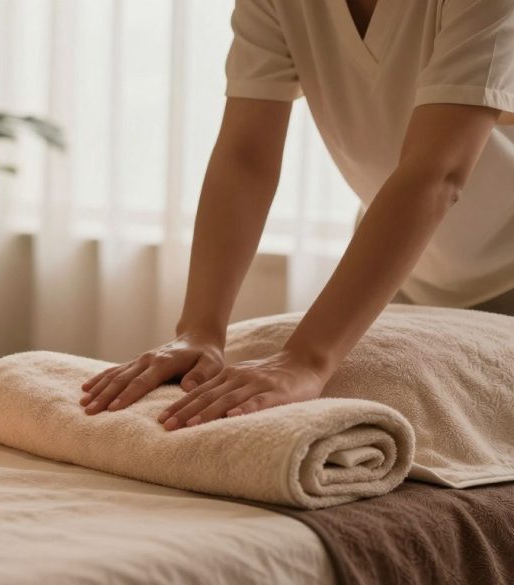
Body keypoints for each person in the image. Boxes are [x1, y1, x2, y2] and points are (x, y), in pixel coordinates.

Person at [82, 0, 514, 430]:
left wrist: (305, 359)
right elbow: (245, 158)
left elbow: (435, 175)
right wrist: (199, 330)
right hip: (409, 274)